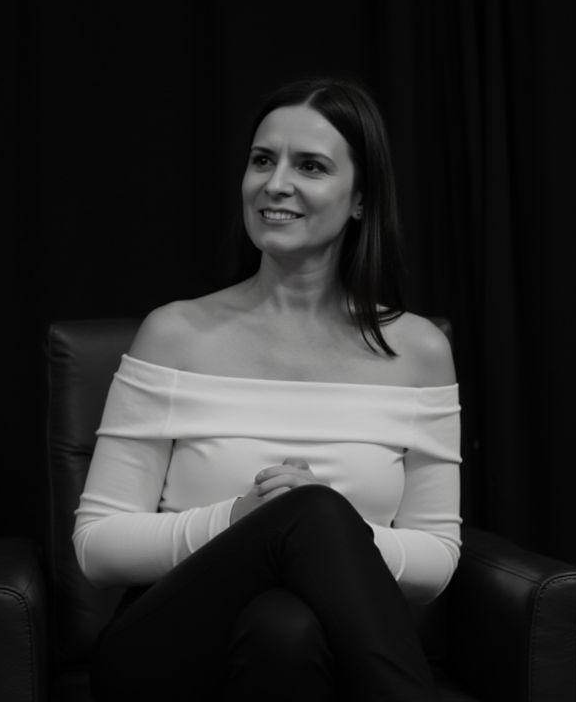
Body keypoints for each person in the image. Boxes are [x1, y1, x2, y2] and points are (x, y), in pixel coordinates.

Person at [73, 77, 461, 702]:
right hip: (161, 651)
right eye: (262, 160)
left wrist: (321, 531)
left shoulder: (418, 352)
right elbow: (97, 548)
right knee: (306, 512)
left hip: (324, 653)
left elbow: (436, 561)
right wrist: (244, 520)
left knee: (285, 628)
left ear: (361, 199)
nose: (275, 184)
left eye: (310, 166)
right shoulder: (174, 334)